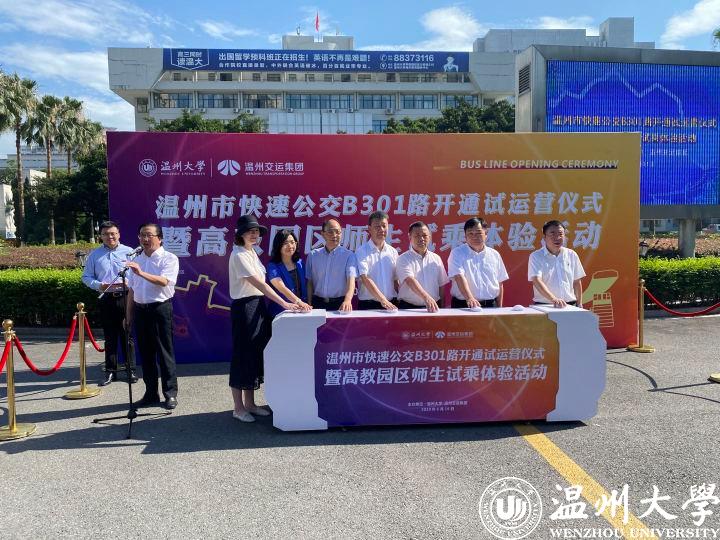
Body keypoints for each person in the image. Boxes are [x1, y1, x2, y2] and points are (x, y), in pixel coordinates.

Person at [229, 215, 310, 423]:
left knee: (254, 354)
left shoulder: (252, 252)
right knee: (242, 355)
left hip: (257, 306)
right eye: (250, 231)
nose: (254, 234)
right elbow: (262, 285)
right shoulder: (238, 255)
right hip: (244, 307)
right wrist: (285, 303)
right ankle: (238, 408)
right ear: (240, 233)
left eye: (256, 231)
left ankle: (250, 404)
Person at [125, 223, 180, 410]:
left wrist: (141, 272)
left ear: (160, 238)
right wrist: (128, 315)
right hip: (140, 311)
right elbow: (132, 290)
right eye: (142, 235)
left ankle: (170, 394)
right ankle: (150, 393)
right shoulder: (137, 259)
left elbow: (165, 281)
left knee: (164, 353)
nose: (145, 239)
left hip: (160, 310)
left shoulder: (169, 258)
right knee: (146, 354)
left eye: (149, 235)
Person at [81, 220, 137, 386]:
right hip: (106, 298)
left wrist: (129, 282)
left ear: (119, 234)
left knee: (127, 335)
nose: (109, 237)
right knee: (110, 337)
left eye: (113, 233)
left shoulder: (130, 252)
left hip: (126, 297)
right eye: (105, 234)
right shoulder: (94, 255)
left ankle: (130, 370)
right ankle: (111, 371)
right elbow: (86, 277)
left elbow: (138, 274)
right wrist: (100, 285)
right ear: (101, 236)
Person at [448, 217, 508, 308]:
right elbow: (459, 277)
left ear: (486, 234)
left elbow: (499, 282)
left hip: (490, 305)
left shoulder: (494, 254)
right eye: (470, 233)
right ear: (465, 236)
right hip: (464, 304)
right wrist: (470, 298)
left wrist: (499, 308)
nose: (474, 237)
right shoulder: (457, 253)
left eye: (478, 233)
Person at [528, 220, 586, 308]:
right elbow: (536, 280)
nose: (557, 237)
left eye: (560, 234)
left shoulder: (571, 254)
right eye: (552, 234)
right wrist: (554, 299)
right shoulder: (536, 256)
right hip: (546, 306)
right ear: (544, 237)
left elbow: (577, 282)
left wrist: (579, 304)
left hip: (570, 305)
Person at [395, 221, 449, 312]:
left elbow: (441, 286)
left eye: (424, 235)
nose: (421, 239)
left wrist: (442, 308)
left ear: (429, 237)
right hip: (408, 308)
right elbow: (410, 280)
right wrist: (426, 297)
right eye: (417, 236)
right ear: (410, 237)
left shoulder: (436, 258)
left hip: (433, 308)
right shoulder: (403, 258)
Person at [306, 218, 357, 312]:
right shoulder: (313, 255)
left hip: (340, 304)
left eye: (338, 232)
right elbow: (309, 282)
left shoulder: (349, 255)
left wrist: (347, 300)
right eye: (330, 232)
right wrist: (309, 303)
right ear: (323, 234)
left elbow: (351, 280)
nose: (334, 235)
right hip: (317, 303)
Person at [355, 211, 399, 311]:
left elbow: (396, 280)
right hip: (369, 306)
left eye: (384, 226)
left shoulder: (393, 252)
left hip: (392, 304)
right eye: (377, 226)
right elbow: (365, 278)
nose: (381, 229)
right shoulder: (362, 251)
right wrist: (383, 300)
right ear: (369, 229)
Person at [267, 229, 311, 317]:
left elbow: (307, 284)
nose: (290, 246)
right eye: (285, 243)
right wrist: (298, 301)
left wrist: (307, 303)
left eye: (292, 242)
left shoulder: (300, 263)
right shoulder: (272, 266)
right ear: (278, 245)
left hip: (302, 310)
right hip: (281, 312)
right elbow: (281, 287)